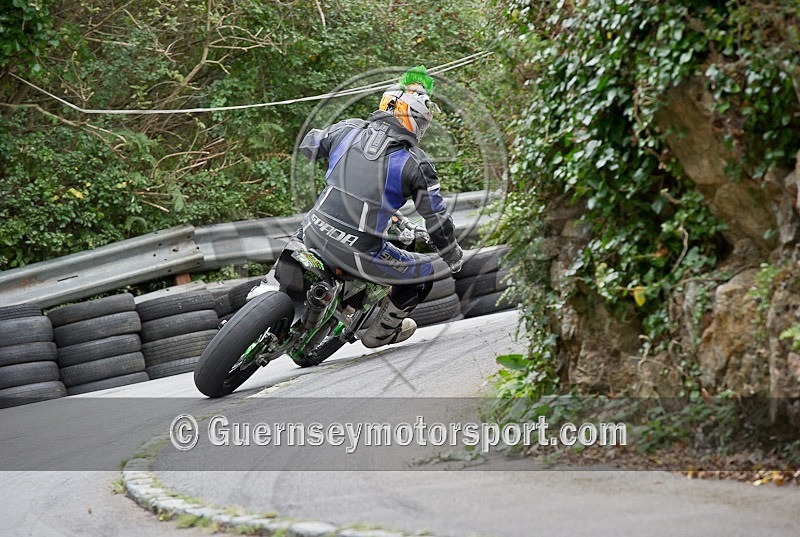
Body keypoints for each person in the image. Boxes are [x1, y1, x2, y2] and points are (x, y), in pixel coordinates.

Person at [297, 65, 463, 348]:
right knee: (425, 273)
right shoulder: (416, 163)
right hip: (360, 251)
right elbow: (436, 220)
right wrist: (452, 255)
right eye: (421, 123)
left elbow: (308, 144)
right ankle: (380, 332)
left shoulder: (347, 130)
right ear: (412, 120)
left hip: (312, 230)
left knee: (295, 240)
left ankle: (263, 290)